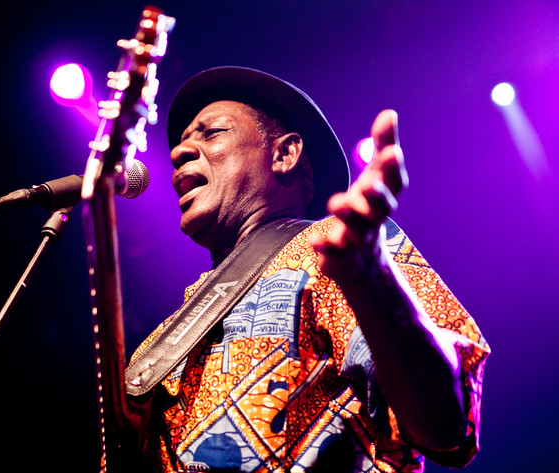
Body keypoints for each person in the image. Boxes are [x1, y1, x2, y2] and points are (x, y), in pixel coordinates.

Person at [126, 67, 489, 473]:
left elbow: (445, 425)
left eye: (210, 133)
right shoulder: (157, 346)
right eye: (181, 141)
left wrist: (371, 277)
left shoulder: (328, 249)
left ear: (285, 154)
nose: (178, 152)